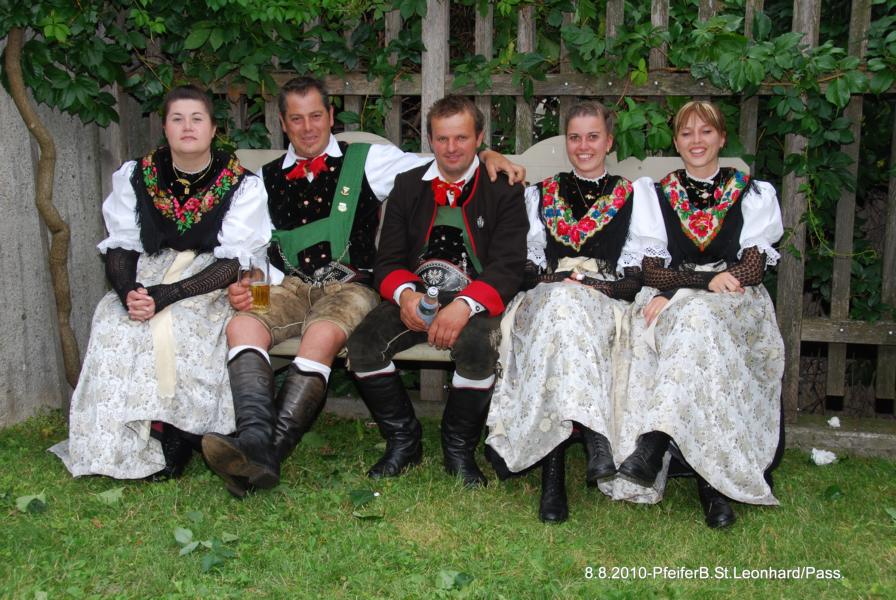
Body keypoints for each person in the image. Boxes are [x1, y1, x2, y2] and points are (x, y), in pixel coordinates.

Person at [201, 78, 525, 497]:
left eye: (316, 116)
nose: (307, 127)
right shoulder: (262, 179)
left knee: (323, 337)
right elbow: (257, 251)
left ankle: (265, 455)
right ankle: (256, 442)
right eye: (296, 119)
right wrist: (252, 286)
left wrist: (486, 154)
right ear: (282, 123)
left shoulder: (371, 161)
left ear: (331, 116)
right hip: (283, 286)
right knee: (241, 324)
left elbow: (444, 159)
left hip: (348, 287)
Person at [50, 85, 271, 479]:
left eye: (197, 119)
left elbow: (236, 259)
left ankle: (176, 431)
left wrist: (169, 294)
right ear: (165, 128)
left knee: (182, 324)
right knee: (116, 324)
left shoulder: (241, 183)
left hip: (207, 278)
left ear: (213, 129)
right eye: (177, 119)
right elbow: (121, 245)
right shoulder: (137, 175)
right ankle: (117, 438)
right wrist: (128, 292)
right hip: (148, 271)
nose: (187, 127)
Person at [607, 100, 785, 528]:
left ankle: (654, 444)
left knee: (700, 322)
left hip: (736, 301)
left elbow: (752, 269)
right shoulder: (656, 194)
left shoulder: (752, 192)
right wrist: (695, 286)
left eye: (706, 131)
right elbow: (651, 271)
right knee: (694, 323)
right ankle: (711, 486)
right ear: (676, 142)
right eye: (686, 133)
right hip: (677, 297)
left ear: (722, 138)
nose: (696, 141)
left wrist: (683, 290)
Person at [345, 95, 528, 488]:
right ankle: (403, 441)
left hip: (478, 299)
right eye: (442, 139)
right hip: (418, 294)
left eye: (461, 137)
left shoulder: (503, 188)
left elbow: (509, 265)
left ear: (479, 137)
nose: (451, 148)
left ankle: (458, 448)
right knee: (363, 345)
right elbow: (387, 260)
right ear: (430, 140)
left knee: (478, 348)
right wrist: (405, 296)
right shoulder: (408, 185)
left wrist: (464, 305)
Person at [484, 101, 654, 522]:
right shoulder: (542, 192)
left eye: (593, 137)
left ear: (608, 142)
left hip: (605, 296)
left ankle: (559, 469)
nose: (583, 146)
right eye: (575, 137)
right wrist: (559, 281)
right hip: (548, 293)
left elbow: (634, 279)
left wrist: (589, 286)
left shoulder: (633, 196)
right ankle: (584, 447)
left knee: (567, 316)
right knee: (560, 311)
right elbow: (525, 268)